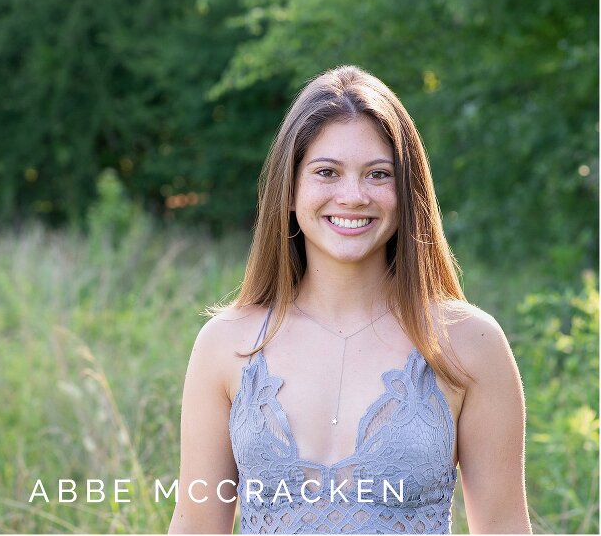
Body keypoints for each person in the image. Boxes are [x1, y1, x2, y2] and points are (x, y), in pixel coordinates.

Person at [168, 65, 531, 534]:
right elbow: (196, 527)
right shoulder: (226, 345)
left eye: (378, 174)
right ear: (291, 190)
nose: (353, 196)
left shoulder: (469, 342)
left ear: (407, 192)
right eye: (327, 172)